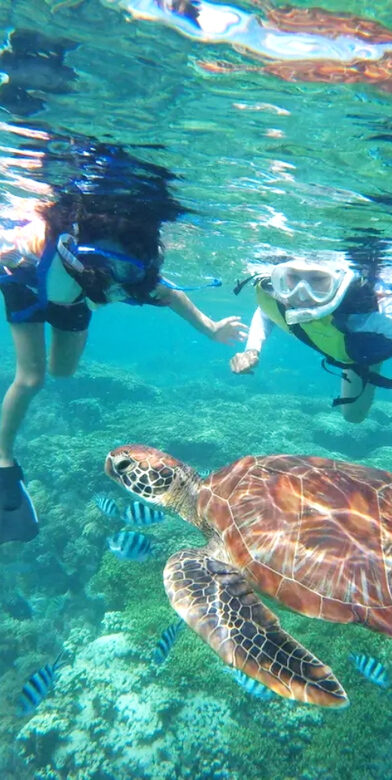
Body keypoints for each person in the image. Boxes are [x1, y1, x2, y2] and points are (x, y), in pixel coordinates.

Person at [0, 140, 247, 545]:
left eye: (121, 268)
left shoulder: (135, 277)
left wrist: (211, 329)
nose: (109, 274)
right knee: (31, 378)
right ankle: (4, 466)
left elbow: (172, 295)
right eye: (99, 261)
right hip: (28, 282)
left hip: (71, 297)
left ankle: (80, 309)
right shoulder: (44, 242)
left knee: (63, 371)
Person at [230, 256, 392, 423]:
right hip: (349, 346)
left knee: (354, 411)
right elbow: (266, 311)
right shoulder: (278, 294)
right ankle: (362, 354)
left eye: (318, 281)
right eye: (292, 279)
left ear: (339, 282)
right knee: (353, 417)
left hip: (381, 341)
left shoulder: (381, 312)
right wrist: (252, 349)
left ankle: (370, 354)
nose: (301, 294)